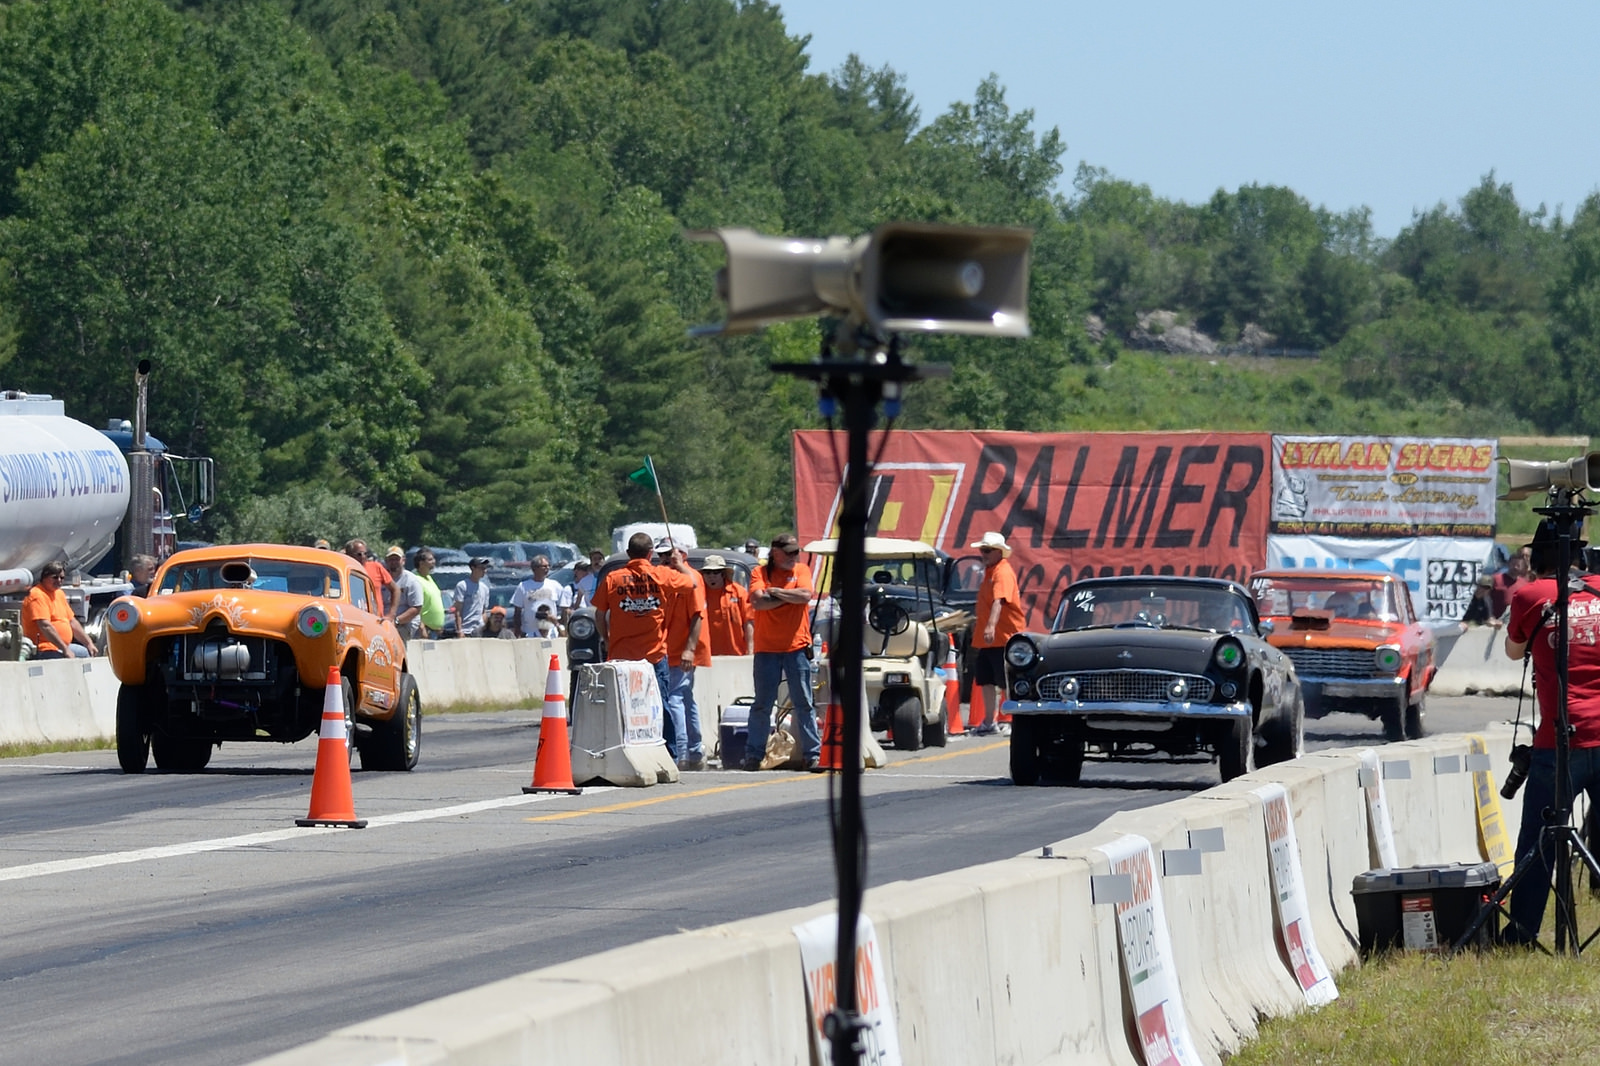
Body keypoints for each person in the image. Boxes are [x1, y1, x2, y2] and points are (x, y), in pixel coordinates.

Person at [1502, 519, 1600, 945]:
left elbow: (1513, 652)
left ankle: (1522, 931)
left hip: (1559, 740)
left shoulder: (1529, 596)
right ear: (1581, 555)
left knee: (1538, 841)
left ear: (1537, 558)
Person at [592, 533, 679, 756]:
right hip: (654, 655)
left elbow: (599, 615)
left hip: (622, 656)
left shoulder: (613, 578)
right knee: (660, 705)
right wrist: (678, 563)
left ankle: (623, 752)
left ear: (629, 553)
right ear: (650, 554)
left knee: (622, 708)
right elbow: (692, 583)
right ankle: (670, 754)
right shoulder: (662, 575)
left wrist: (607, 639)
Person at [746, 533, 820, 770]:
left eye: (796, 552)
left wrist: (775, 592)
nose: (793, 557)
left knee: (804, 702)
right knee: (762, 704)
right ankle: (754, 755)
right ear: (775, 553)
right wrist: (790, 597)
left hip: (797, 647)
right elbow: (758, 602)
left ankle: (812, 754)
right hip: (766, 649)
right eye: (788, 553)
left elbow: (806, 595)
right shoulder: (759, 572)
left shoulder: (802, 570)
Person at [970, 531, 1026, 735]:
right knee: (985, 679)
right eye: (982, 550)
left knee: (1007, 682)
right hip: (988, 640)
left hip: (1003, 637)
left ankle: (1012, 720)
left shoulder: (1002, 572)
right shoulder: (990, 572)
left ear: (998, 552)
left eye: (987, 550)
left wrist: (991, 626)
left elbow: (999, 601)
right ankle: (988, 721)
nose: (982, 554)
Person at [658, 543, 708, 771]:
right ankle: (695, 750)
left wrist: (690, 649)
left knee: (675, 699)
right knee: (685, 699)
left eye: (669, 554)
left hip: (683, 650)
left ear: (681, 554)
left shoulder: (691, 577)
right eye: (661, 554)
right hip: (667, 648)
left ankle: (680, 753)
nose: (665, 558)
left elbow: (698, 615)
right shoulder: (665, 576)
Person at [23, 562, 97, 659]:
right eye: (55, 577)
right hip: (44, 649)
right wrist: (65, 650)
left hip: (63, 646)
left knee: (86, 653)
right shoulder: (37, 595)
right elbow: (45, 626)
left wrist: (89, 643)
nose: (59, 580)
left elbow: (72, 622)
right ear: (44, 578)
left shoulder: (59, 593)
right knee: (66, 659)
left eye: (61, 578)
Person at [700, 554, 753, 656]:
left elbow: (749, 622)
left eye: (716, 572)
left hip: (736, 653)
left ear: (723, 574)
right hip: (706, 655)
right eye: (707, 572)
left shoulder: (738, 592)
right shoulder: (698, 594)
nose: (711, 576)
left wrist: (750, 651)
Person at [510, 555, 562, 638]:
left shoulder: (555, 585)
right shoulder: (523, 586)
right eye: (544, 566)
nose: (547, 568)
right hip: (530, 633)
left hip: (551, 633)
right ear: (535, 568)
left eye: (548, 566)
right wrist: (518, 632)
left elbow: (564, 607)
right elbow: (517, 612)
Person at [346, 539, 395, 619]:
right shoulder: (344, 571)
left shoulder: (376, 567)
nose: (363, 557)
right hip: (354, 618)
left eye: (365, 554)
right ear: (349, 555)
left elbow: (395, 589)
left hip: (376, 619)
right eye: (359, 554)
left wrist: (391, 614)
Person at [384, 545, 424, 641]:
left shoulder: (411, 580)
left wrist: (396, 621)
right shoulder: (382, 578)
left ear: (403, 560)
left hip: (405, 623)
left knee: (390, 635)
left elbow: (416, 608)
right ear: (386, 561)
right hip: (385, 621)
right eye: (391, 559)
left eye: (397, 559)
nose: (394, 562)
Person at [453, 557, 494, 638]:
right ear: (473, 568)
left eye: (485, 568)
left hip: (480, 630)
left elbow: (483, 612)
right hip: (466, 630)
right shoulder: (462, 586)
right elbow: (458, 611)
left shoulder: (485, 588)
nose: (484, 571)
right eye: (481, 568)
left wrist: (485, 628)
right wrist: (460, 631)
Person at [1492, 546, 1532, 619]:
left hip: (1515, 619)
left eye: (1518, 565)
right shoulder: (1496, 579)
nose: (1515, 567)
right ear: (1508, 564)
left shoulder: (1525, 583)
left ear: (1522, 567)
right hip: (1497, 620)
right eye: (1513, 564)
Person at [414, 548, 446, 639]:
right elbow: (413, 605)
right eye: (430, 560)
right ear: (421, 563)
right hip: (424, 631)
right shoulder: (415, 579)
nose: (434, 562)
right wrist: (421, 627)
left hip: (435, 631)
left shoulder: (429, 578)